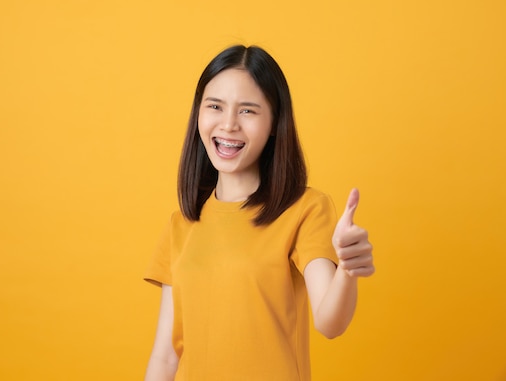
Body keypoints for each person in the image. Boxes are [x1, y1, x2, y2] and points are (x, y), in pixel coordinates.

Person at [143, 45, 375, 381]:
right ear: (198, 115)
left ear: (273, 123)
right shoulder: (182, 224)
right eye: (215, 106)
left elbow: (330, 322)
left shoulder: (304, 210)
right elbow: (165, 357)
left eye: (248, 111)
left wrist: (349, 270)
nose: (228, 124)